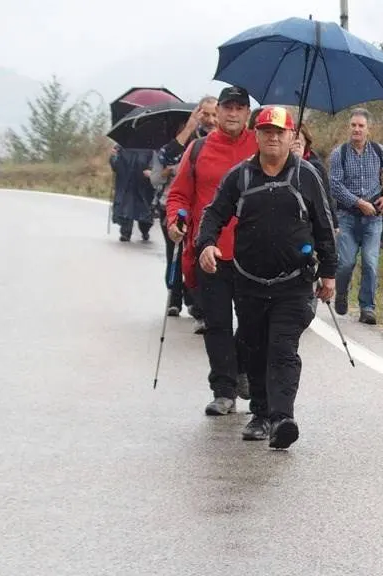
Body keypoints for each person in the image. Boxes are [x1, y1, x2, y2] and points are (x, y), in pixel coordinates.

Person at [195, 106, 337, 449]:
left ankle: (282, 417)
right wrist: (207, 245)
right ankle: (260, 413)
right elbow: (213, 215)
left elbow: (324, 226)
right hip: (249, 282)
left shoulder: (307, 177)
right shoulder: (239, 177)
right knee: (254, 347)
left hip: (294, 283)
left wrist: (330, 274)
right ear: (255, 135)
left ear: (292, 136)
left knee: (282, 348)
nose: (273, 138)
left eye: (279, 132)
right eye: (266, 132)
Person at [165, 85, 257, 415]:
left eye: (239, 108)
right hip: (208, 252)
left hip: (253, 254)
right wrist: (175, 221)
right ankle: (223, 389)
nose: (232, 113)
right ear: (216, 113)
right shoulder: (198, 149)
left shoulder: (261, 146)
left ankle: (241, 367)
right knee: (216, 323)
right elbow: (178, 195)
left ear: (248, 113)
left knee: (251, 323)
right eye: (227, 107)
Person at [327, 108, 383, 325]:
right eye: (353, 125)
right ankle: (341, 294)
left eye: (361, 126)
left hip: (374, 219)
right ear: (348, 127)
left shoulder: (379, 151)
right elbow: (335, 186)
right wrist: (358, 203)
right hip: (347, 217)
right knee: (345, 263)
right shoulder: (338, 153)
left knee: (370, 262)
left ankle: (367, 307)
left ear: (369, 129)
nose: (357, 130)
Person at [151, 96, 218, 319]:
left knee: (198, 256)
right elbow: (166, 156)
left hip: (205, 210)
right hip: (176, 208)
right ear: (197, 115)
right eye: (205, 114)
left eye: (214, 114)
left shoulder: (222, 141)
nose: (210, 119)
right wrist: (189, 128)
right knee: (176, 253)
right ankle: (175, 297)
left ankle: (195, 301)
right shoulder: (191, 141)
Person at [109, 144, 156, 242]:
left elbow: (155, 164)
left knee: (144, 211)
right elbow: (115, 166)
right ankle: (125, 233)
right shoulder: (121, 147)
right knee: (125, 210)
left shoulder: (151, 148)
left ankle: (145, 231)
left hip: (143, 185)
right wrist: (113, 156)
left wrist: (151, 171)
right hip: (127, 183)